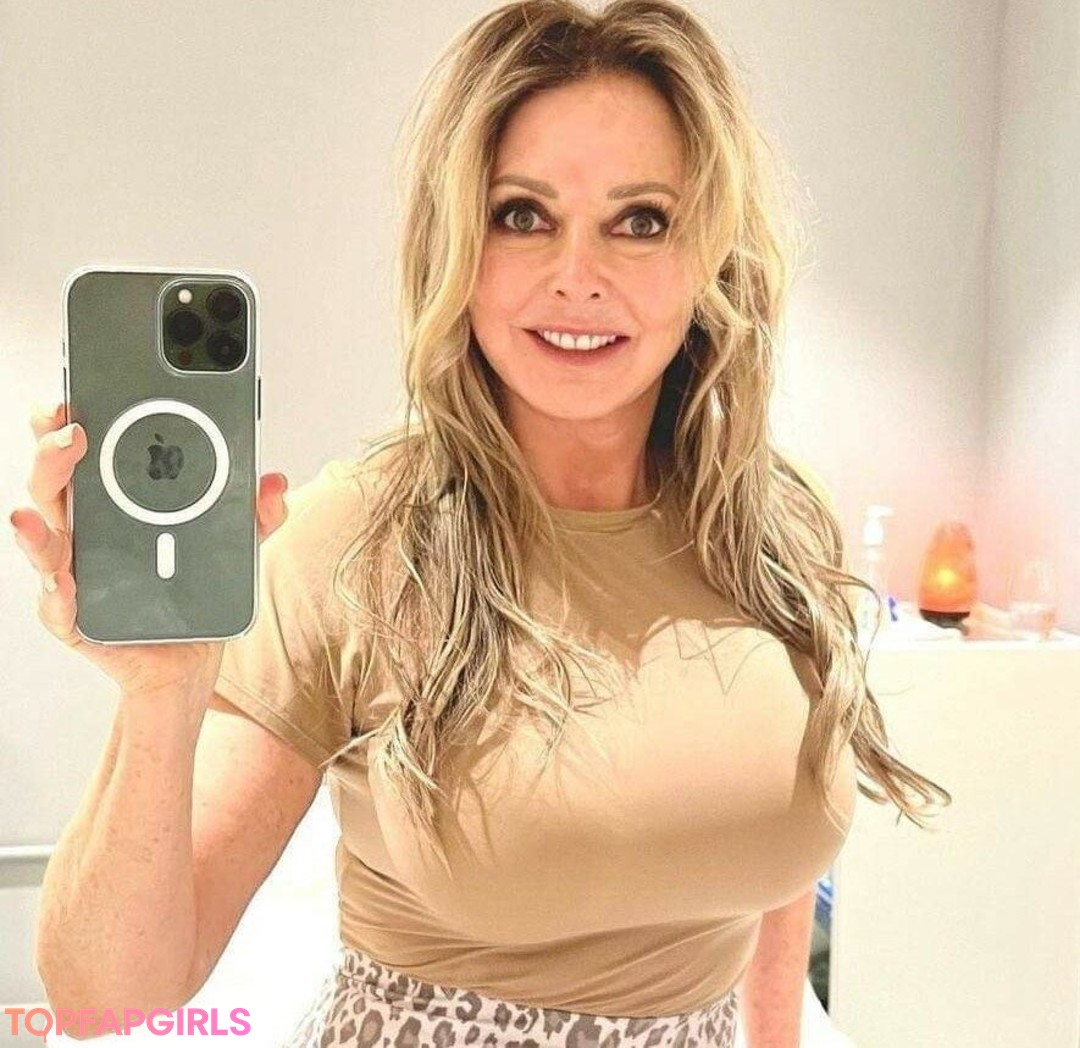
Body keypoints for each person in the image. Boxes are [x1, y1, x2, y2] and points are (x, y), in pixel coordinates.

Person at [14, 1, 951, 1044]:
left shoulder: (774, 527)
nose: (577, 276)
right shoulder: (356, 544)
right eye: (522, 215)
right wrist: (162, 698)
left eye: (641, 220)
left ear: (709, 252)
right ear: (455, 244)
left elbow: (770, 885)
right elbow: (105, 997)